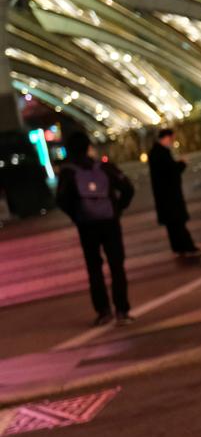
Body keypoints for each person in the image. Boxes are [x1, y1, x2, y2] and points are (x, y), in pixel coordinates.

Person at [56, 131, 136, 326]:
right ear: (88, 147)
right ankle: (122, 310)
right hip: (110, 222)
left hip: (87, 226)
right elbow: (128, 189)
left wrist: (77, 216)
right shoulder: (105, 167)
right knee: (117, 266)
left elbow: (61, 199)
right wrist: (117, 209)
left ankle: (103, 311)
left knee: (94, 268)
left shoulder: (68, 171)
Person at [148, 128, 201, 258]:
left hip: (162, 196)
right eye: (171, 139)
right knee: (178, 223)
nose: (172, 142)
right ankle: (188, 247)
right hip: (170, 196)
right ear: (166, 138)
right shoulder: (162, 153)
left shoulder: (155, 153)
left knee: (172, 225)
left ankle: (178, 248)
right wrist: (182, 164)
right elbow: (171, 172)